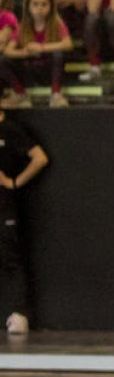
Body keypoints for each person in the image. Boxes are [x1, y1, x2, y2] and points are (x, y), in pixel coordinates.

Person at [0, 104, 50, 335]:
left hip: (4, 206)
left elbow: (39, 158)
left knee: (10, 256)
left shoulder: (10, 130)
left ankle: (20, 314)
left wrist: (15, 182)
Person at [0, 0, 73, 108]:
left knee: (58, 54)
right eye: (35, 4)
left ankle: (56, 94)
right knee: (3, 60)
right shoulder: (23, 27)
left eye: (44, 4)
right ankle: (20, 94)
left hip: (48, 69)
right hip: (30, 69)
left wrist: (41, 48)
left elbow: (68, 44)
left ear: (50, 7)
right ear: (28, 7)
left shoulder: (56, 23)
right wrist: (25, 52)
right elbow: (8, 50)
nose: (39, 8)